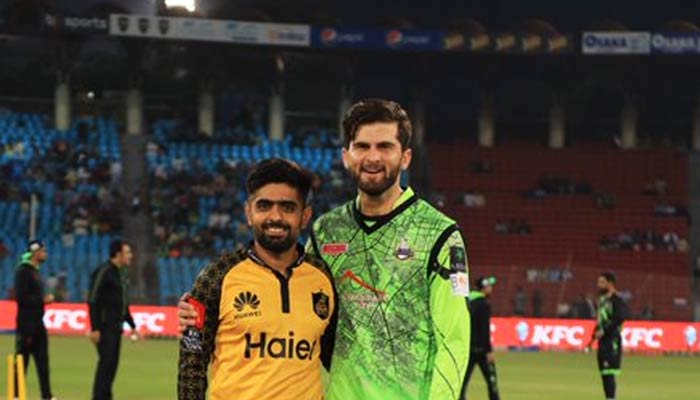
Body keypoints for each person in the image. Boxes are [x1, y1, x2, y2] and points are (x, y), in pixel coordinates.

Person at [178, 99, 470, 399]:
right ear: (346, 156)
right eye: (362, 147)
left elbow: (455, 340)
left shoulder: (440, 234)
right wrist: (199, 311)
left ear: (405, 157)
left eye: (385, 146)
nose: (372, 158)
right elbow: (296, 299)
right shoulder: (326, 230)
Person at [177, 158, 337, 400]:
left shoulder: (322, 276)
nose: (275, 217)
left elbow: (337, 358)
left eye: (287, 207)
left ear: (305, 216)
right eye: (264, 206)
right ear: (248, 213)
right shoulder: (216, 277)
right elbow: (192, 364)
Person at [87, 239, 139, 400]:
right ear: (118, 254)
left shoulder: (120, 274)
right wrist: (95, 328)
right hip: (104, 327)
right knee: (106, 365)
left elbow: (123, 303)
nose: (131, 256)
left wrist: (132, 325)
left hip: (116, 328)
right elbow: (93, 300)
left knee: (111, 366)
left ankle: (104, 397)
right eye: (127, 252)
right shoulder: (104, 271)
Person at [14, 240, 56, 400]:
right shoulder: (23, 271)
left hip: (38, 323)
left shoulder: (34, 271)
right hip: (26, 324)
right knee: (21, 359)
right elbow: (21, 298)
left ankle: (47, 395)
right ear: (35, 252)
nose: (45, 254)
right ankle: (16, 394)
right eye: (43, 251)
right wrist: (42, 300)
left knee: (43, 362)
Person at [461, 276, 500, 400]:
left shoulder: (468, 301)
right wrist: (488, 351)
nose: (491, 289)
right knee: (491, 380)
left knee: (462, 381)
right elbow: (484, 329)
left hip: (468, 348)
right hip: (481, 350)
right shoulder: (484, 304)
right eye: (489, 286)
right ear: (484, 288)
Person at [592, 272, 626, 400]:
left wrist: (605, 331)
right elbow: (601, 319)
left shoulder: (617, 300)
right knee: (604, 374)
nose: (598, 285)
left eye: (601, 282)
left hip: (612, 340)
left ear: (610, 283)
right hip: (603, 341)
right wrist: (595, 333)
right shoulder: (602, 300)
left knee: (609, 372)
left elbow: (620, 317)